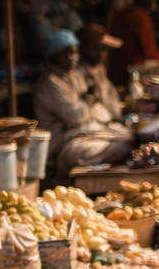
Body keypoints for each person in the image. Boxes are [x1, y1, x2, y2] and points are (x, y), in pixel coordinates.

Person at [34, 30, 135, 176]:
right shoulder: (50, 82)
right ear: (54, 55)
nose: (72, 58)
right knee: (120, 149)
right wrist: (89, 103)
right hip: (64, 144)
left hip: (84, 133)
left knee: (130, 138)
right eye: (66, 53)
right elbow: (75, 115)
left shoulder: (73, 75)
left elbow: (96, 106)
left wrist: (89, 103)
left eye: (74, 52)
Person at [108, 0, 159, 85]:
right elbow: (148, 49)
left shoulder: (119, 14)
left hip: (114, 68)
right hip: (131, 70)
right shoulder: (141, 18)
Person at [76, 25, 123, 118]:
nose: (103, 54)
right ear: (84, 50)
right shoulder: (78, 73)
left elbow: (111, 97)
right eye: (98, 48)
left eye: (104, 49)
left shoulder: (99, 68)